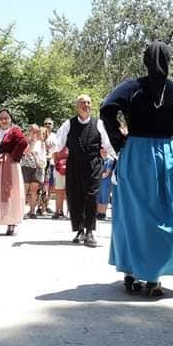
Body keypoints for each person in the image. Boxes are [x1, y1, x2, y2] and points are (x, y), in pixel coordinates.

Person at [101, 41, 173, 297]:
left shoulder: (132, 88)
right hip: (168, 153)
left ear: (145, 60)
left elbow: (106, 108)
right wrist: (169, 136)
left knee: (134, 213)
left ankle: (132, 271)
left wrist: (119, 140)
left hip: (138, 153)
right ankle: (154, 276)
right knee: (167, 213)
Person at [53, 95, 116, 247]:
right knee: (75, 196)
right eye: (83, 102)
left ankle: (89, 231)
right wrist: (50, 149)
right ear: (77, 106)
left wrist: (118, 156)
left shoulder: (98, 124)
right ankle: (79, 229)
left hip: (93, 164)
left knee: (91, 196)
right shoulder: (69, 124)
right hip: (74, 164)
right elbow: (58, 142)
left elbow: (107, 143)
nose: (86, 105)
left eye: (88, 102)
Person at [0, 109, 27, 235]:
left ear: (10, 119)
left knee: (11, 192)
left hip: (9, 166)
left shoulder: (14, 131)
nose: (4, 120)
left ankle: (11, 222)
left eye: (6, 118)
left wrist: (12, 157)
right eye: (1, 118)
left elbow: (23, 142)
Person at [21, 124, 46, 219]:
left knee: (34, 190)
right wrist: (33, 142)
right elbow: (25, 152)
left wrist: (41, 164)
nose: (34, 132)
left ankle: (32, 211)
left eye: (36, 131)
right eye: (32, 130)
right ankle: (21, 212)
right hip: (26, 167)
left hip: (37, 168)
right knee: (25, 190)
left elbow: (43, 155)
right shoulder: (25, 140)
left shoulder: (41, 143)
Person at [96, 148, 114, 220]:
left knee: (104, 197)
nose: (103, 153)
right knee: (98, 198)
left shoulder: (110, 160)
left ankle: (103, 213)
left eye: (105, 152)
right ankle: (98, 213)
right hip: (99, 182)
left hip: (106, 182)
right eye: (102, 152)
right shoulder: (99, 160)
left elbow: (107, 173)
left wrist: (98, 175)